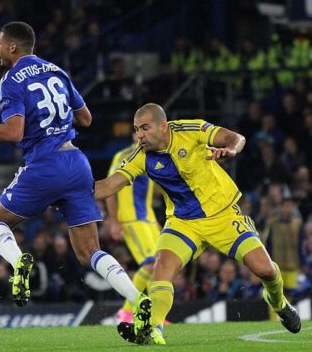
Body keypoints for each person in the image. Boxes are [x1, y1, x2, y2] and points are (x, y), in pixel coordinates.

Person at [0, 21, 151, 333]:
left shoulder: (10, 81)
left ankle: (18, 264)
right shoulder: (58, 71)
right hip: (76, 162)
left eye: (0, 43)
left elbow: (14, 131)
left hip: (44, 164)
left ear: (13, 47)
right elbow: (86, 118)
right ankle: (138, 299)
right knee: (89, 253)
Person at [95, 103, 301, 345]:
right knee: (161, 268)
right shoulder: (140, 156)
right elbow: (108, 186)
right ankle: (152, 328)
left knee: (265, 270)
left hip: (222, 216)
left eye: (145, 128)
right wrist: (68, 192)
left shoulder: (189, 130)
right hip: (183, 223)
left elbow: (235, 137)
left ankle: (278, 302)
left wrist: (231, 149)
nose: (139, 134)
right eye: (136, 129)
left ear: (163, 126)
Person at [106, 131, 160, 323]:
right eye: (139, 131)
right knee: (150, 263)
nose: (143, 136)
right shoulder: (122, 156)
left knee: (162, 264)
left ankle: (156, 315)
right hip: (131, 219)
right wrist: (114, 220)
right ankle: (127, 311)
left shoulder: (153, 155)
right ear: (133, 135)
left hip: (148, 218)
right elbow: (111, 190)